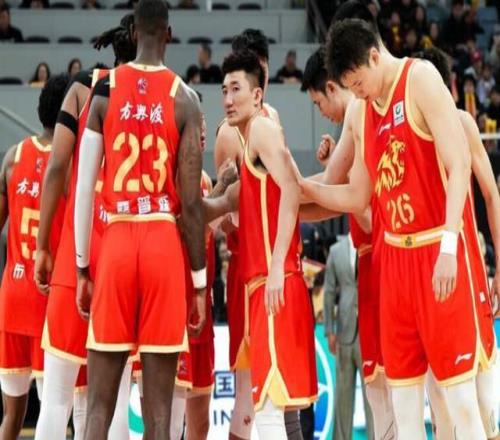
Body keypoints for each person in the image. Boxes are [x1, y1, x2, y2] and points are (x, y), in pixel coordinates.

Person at [300, 18, 486, 438]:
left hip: (436, 249)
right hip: (395, 264)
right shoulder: (363, 111)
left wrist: (449, 246)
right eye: (350, 86)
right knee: (404, 408)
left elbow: (459, 165)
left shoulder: (420, 79)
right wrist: (300, 187)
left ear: (374, 55)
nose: (358, 92)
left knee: (460, 401)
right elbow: (357, 196)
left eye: (358, 82)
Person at [74, 0, 206, 438]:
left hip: (116, 239)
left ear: (132, 33)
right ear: (169, 34)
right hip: (162, 243)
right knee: (159, 415)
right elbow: (191, 204)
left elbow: (84, 190)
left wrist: (82, 267)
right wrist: (199, 283)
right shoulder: (186, 99)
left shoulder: (105, 88)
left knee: (98, 407)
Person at [34, 15, 137, 440]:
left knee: (57, 398)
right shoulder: (157, 95)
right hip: (125, 249)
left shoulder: (81, 89)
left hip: (77, 248)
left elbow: (57, 166)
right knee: (113, 399)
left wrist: (42, 245)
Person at [300, 42, 395, 440]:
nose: (321, 111)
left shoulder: (359, 110)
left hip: (383, 256)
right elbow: (337, 194)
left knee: (391, 389)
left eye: (318, 102)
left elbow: (350, 199)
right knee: (381, 390)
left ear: (331, 87)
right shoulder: (355, 119)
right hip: (373, 258)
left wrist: (283, 189)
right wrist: (288, 205)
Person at [221, 49, 318, 439]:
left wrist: (277, 264)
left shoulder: (261, 128)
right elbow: (296, 191)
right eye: (224, 91)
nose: (228, 100)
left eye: (236, 89)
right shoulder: (251, 140)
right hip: (268, 283)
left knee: (268, 412)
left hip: (274, 281)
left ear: (257, 94)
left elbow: (293, 187)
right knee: (281, 409)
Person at [417, 46, 500, 440]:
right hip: (422, 275)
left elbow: (491, 195)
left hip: (465, 270)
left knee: (481, 401)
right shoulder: (406, 131)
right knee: (439, 402)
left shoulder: (462, 122)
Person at [214, 27, 291, 440]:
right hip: (248, 264)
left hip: (273, 260)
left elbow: (283, 194)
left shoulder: (270, 120)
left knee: (280, 388)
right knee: (249, 392)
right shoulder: (229, 131)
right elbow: (223, 213)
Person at [0, 74, 67, 440]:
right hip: (48, 299)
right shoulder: (69, 163)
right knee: (54, 408)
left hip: (13, 295)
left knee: (12, 415)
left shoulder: (13, 157)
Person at [323, 233, 374, 440]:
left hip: (369, 332)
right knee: (342, 396)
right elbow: (328, 291)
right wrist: (329, 330)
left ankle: (377, 436)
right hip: (344, 330)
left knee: (373, 397)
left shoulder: (372, 245)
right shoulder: (336, 250)